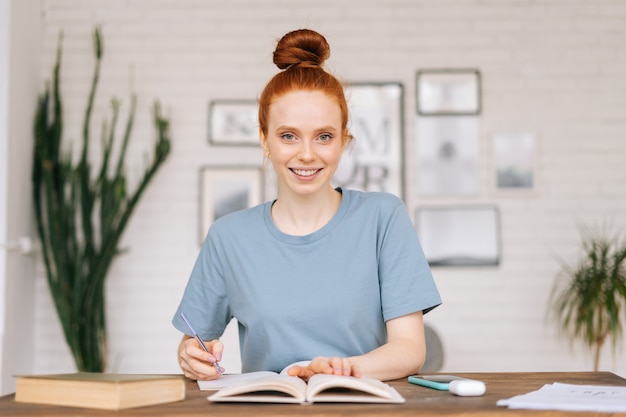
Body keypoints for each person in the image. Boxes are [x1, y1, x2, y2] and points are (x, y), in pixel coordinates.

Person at [173, 28, 441, 382]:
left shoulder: (383, 218)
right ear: (264, 139)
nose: (307, 154)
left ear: (344, 140)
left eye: (324, 136)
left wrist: (338, 372)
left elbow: (410, 349)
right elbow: (194, 343)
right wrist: (191, 356)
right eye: (288, 136)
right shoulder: (228, 237)